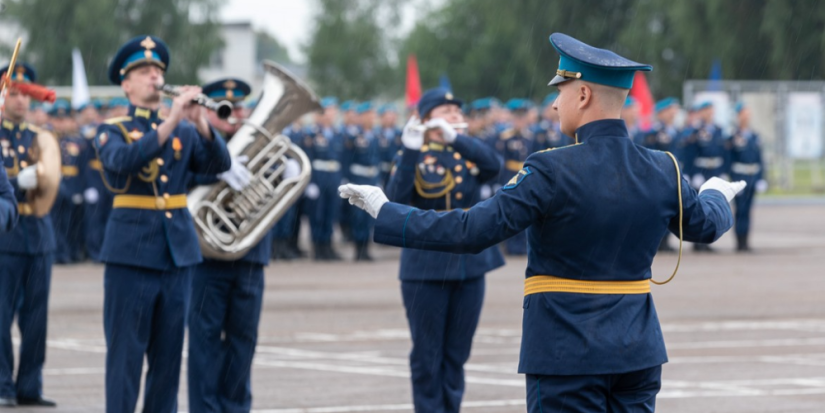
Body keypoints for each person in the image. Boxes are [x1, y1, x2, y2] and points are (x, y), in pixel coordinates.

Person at [340, 33, 746, 412]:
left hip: (565, 352)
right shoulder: (663, 167)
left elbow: (471, 231)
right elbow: (704, 227)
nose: (554, 104)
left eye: (561, 92)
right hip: (637, 352)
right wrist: (716, 194)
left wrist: (386, 211)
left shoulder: (550, 169)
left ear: (583, 94)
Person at [95, 35, 231, 413]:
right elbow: (123, 162)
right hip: (131, 255)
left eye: (157, 70)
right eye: (144, 71)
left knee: (168, 361)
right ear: (126, 83)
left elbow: (219, 166)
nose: (154, 76)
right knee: (125, 359)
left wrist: (201, 122)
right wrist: (172, 120)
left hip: (177, 255)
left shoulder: (185, 130)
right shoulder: (113, 129)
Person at [387, 87, 503, 412]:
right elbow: (395, 201)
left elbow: (494, 166)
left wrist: (456, 138)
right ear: (424, 119)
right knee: (428, 354)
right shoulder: (411, 155)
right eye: (445, 110)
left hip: (470, 262)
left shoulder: (464, 151)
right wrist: (411, 150)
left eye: (458, 112)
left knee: (457, 353)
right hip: (426, 263)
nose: (455, 115)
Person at [186, 77, 271, 413]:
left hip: (250, 256)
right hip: (207, 257)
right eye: (225, 109)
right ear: (209, 110)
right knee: (205, 341)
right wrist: (217, 173)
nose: (234, 114)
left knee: (243, 341)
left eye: (239, 108)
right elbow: (182, 180)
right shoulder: (194, 141)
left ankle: (236, 408)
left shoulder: (263, 142)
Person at [0, 62, 58, 407]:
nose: (20, 100)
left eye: (26, 94)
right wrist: (18, 181)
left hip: (37, 234)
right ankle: (3, 385)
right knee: (1, 317)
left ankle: (30, 386)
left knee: (36, 319)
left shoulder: (40, 136)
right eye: (14, 92)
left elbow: (53, 184)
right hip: (5, 237)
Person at [680, 101, 729, 252]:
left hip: (714, 171)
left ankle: (706, 241)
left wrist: (723, 171)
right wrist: (692, 173)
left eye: (710, 110)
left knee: (712, 206)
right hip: (700, 171)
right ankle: (697, 242)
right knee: (699, 209)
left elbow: (723, 153)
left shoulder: (718, 130)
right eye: (706, 110)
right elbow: (690, 154)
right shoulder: (694, 131)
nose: (709, 113)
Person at [635, 97, 682, 252]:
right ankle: (658, 241)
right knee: (658, 209)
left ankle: (666, 240)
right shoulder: (653, 133)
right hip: (659, 175)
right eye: (670, 110)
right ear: (661, 113)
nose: (673, 113)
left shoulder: (677, 131)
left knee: (671, 207)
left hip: (673, 174)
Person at [303, 97, 345, 261]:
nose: (331, 114)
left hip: (334, 175)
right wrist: (311, 182)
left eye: (333, 110)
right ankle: (318, 246)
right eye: (328, 110)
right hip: (318, 176)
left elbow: (342, 158)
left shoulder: (338, 133)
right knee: (317, 213)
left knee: (331, 212)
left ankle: (328, 245)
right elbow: (308, 158)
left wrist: (342, 178)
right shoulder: (311, 133)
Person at [492, 98, 535, 256]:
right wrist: (497, 182)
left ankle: (523, 244)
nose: (520, 121)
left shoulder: (530, 136)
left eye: (522, 117)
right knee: (511, 210)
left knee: (526, 209)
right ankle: (511, 245)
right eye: (517, 117)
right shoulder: (504, 137)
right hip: (509, 176)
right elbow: (500, 161)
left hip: (526, 175)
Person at [49, 98, 88, 264]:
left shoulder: (78, 141)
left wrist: (81, 188)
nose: (61, 123)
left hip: (73, 184)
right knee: (55, 222)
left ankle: (71, 251)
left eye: (64, 119)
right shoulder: (47, 139)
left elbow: (82, 167)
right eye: (58, 119)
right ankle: (57, 252)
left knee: (72, 222)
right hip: (53, 184)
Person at [344, 101, 381, 261]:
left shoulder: (375, 135)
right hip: (357, 178)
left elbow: (378, 159)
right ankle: (358, 249)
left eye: (373, 115)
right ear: (362, 117)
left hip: (371, 177)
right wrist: (346, 179)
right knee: (358, 215)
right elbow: (346, 159)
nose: (372, 118)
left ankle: (366, 247)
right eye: (369, 115)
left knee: (369, 215)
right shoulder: (353, 136)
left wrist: (378, 179)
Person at [728, 102, 767, 252]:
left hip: (752, 177)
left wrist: (761, 177)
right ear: (738, 116)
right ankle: (739, 242)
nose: (747, 116)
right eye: (744, 113)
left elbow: (760, 158)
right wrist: (731, 178)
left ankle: (746, 241)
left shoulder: (754, 136)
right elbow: (730, 159)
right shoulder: (733, 136)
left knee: (748, 210)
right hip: (740, 176)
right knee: (740, 210)